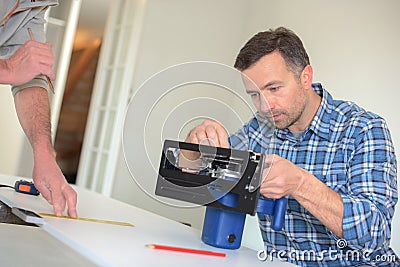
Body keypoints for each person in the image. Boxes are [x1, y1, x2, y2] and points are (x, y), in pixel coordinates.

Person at [184, 27, 398, 266]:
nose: (265, 106)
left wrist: (300, 183)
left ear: (305, 77)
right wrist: (194, 146)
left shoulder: (363, 129)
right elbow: (197, 181)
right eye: (254, 94)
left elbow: (374, 235)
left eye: (274, 89)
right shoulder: (261, 128)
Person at [0, 0, 77, 218]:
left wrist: (44, 152)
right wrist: (7, 68)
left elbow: (30, 78)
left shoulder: (34, 5)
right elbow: (14, 68)